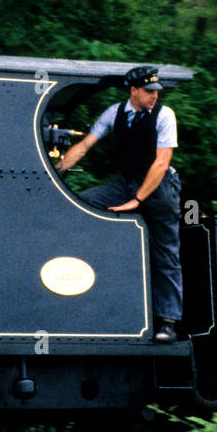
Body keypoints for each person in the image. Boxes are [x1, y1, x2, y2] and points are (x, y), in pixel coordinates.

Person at [54, 65, 183, 342]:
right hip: (126, 182)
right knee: (83, 202)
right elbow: (85, 145)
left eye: (157, 91)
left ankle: (168, 322)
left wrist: (136, 200)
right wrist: (56, 169)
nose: (154, 96)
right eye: (149, 91)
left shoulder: (165, 116)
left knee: (166, 255)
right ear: (133, 90)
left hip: (160, 188)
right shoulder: (114, 114)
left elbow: (161, 164)